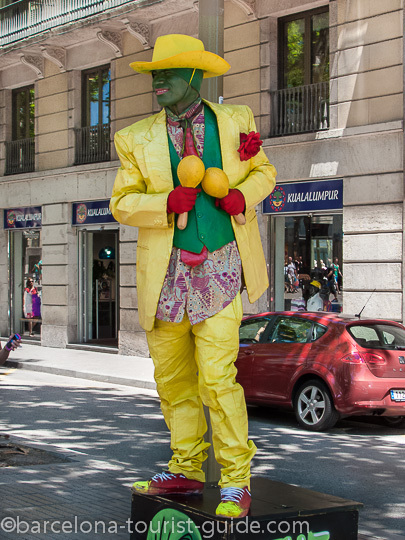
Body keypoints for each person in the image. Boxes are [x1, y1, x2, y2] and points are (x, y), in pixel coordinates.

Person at [110, 34, 276, 518]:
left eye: (168, 74)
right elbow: (121, 203)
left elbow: (263, 170)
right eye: (155, 75)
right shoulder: (135, 138)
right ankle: (184, 467)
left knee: (218, 379)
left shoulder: (236, 122)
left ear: (195, 77)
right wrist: (163, 204)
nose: (158, 82)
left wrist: (244, 196)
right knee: (173, 379)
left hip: (222, 269)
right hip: (165, 278)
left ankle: (236, 479)